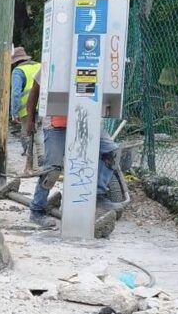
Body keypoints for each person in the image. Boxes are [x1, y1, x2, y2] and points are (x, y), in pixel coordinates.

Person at [19, 64, 124, 228]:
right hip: (56, 124)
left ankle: (98, 194)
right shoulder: (56, 60)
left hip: (87, 120)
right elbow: (35, 91)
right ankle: (37, 209)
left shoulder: (94, 61)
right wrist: (30, 119)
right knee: (52, 169)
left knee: (111, 152)